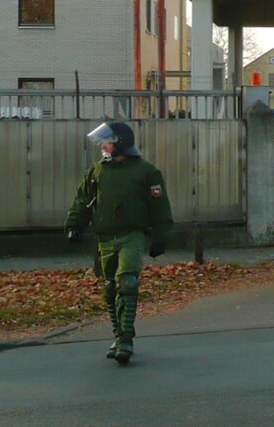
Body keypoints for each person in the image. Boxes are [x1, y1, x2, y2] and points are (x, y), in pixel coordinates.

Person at [65, 121, 172, 365]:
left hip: (131, 235)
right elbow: (82, 200)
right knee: (110, 286)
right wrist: (73, 225)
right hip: (105, 236)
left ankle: (126, 339)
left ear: (120, 143)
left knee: (127, 281)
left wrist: (160, 237)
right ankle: (118, 334)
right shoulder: (97, 171)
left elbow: (160, 207)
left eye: (107, 141)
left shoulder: (146, 171)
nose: (103, 146)